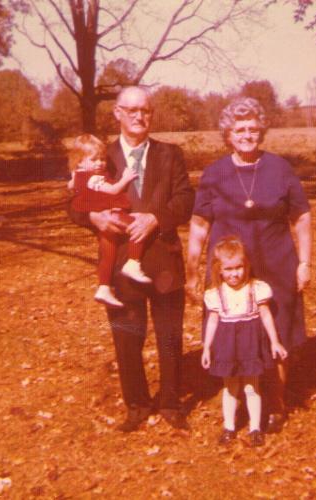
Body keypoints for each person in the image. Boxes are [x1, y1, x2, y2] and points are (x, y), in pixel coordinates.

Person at [69, 86, 195, 432]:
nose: (140, 117)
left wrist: (155, 218)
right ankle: (137, 405)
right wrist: (93, 218)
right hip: (121, 262)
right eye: (133, 110)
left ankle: (171, 402)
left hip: (164, 260)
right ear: (118, 114)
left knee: (170, 335)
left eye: (146, 110)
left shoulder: (170, 154)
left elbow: (185, 199)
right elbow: (74, 203)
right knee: (127, 336)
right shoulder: (101, 156)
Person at [186, 96, 312, 433]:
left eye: (253, 128)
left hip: (277, 264)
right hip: (230, 270)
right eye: (239, 129)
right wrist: (192, 270)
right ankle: (235, 399)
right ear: (227, 133)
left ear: (262, 131)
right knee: (232, 330)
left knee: (279, 330)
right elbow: (199, 224)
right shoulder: (214, 173)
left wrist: (304, 262)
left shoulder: (280, 168)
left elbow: (301, 216)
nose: (246, 134)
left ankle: (276, 402)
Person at [201, 236, 287, 447]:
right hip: (227, 344)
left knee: (251, 386)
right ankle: (229, 427)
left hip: (250, 342)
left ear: (246, 265)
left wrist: (275, 342)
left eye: (238, 267)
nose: (234, 273)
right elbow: (212, 321)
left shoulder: (256, 288)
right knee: (230, 387)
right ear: (219, 270)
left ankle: (255, 428)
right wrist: (206, 348)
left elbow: (266, 316)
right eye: (228, 269)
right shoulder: (215, 294)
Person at [68, 133, 151, 309]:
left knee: (108, 252)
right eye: (94, 159)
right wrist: (126, 178)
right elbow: (113, 190)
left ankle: (104, 287)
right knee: (137, 227)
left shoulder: (79, 175)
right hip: (109, 213)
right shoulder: (94, 177)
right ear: (80, 161)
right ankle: (133, 262)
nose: (100, 163)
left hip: (104, 216)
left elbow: (73, 188)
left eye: (102, 159)